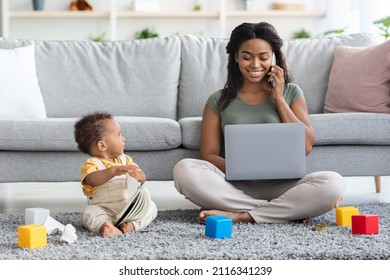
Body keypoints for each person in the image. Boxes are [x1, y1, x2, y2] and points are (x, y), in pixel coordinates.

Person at [173, 22, 346, 225]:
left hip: (284, 186)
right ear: (236, 57)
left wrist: (279, 100)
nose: (255, 65)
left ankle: (242, 214)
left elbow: (306, 146)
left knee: (334, 184)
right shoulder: (218, 100)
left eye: (263, 57)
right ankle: (280, 211)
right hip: (235, 186)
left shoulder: (292, 93)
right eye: (247, 57)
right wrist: (242, 169)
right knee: (184, 169)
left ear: (273, 56)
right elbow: (208, 154)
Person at [74, 112, 157, 237]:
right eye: (118, 135)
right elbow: (91, 180)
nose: (123, 138)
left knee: (151, 207)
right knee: (89, 213)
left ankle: (131, 225)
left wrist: (139, 176)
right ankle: (106, 226)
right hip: (103, 210)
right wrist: (113, 171)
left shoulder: (125, 160)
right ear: (102, 145)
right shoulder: (92, 164)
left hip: (128, 210)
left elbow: (142, 177)